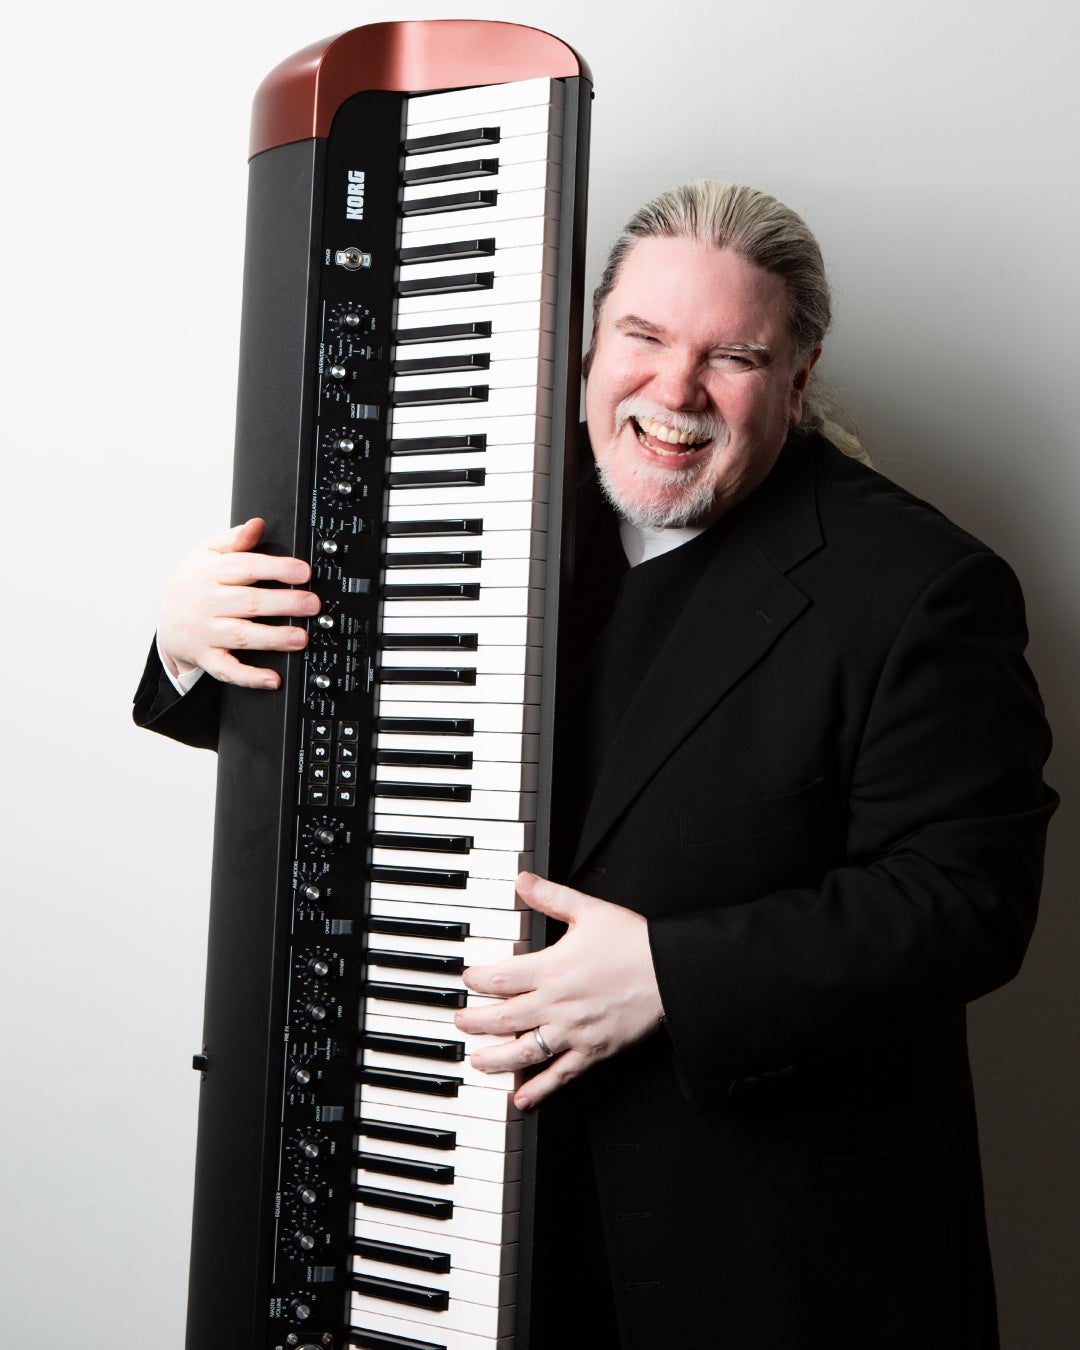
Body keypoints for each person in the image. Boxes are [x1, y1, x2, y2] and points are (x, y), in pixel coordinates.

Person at [135, 182, 1056, 1349]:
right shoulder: (463, 508)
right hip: (477, 1214)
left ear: (798, 377)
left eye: (732, 356)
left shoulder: (922, 585)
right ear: (587, 343)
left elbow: (968, 903)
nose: (676, 390)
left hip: (765, 1254)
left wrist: (672, 974)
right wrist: (189, 644)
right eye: (644, 336)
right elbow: (343, 729)